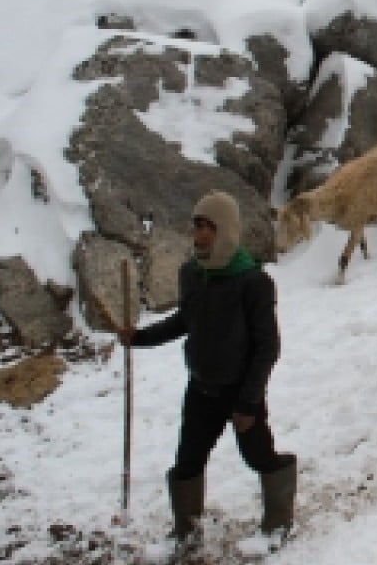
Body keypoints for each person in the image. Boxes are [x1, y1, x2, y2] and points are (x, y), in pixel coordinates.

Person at [118, 190, 295, 551]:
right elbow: (186, 320)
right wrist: (140, 338)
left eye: (207, 228)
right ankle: (186, 529)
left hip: (240, 390)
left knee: (258, 456)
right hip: (201, 388)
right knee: (188, 461)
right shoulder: (192, 274)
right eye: (196, 226)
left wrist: (248, 402)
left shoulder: (253, 282)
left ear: (226, 230)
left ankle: (278, 520)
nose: (199, 235)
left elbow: (267, 347)